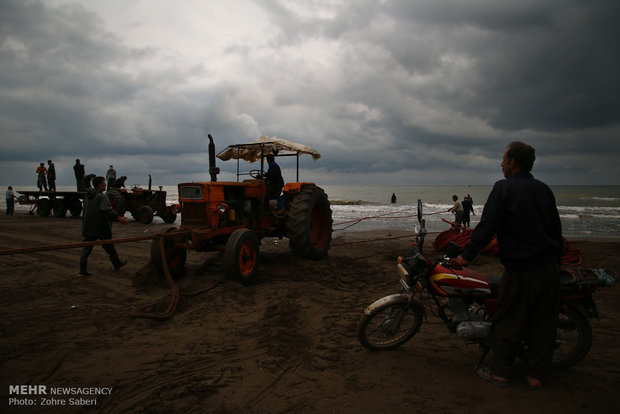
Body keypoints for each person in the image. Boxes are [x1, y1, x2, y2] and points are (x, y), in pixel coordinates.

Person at [451, 141, 562, 390]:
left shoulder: (504, 188)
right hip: (549, 270)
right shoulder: (544, 189)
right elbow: (556, 230)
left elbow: (487, 226)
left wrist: (466, 256)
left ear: (513, 163)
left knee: (508, 321)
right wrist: (558, 262)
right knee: (543, 324)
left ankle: (501, 373)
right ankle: (537, 376)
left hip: (521, 270)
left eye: (504, 160)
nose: (501, 164)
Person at [79, 176, 128, 277]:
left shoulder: (88, 196)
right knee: (109, 247)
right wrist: (118, 218)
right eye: (103, 183)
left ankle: (82, 271)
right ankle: (117, 263)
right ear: (99, 185)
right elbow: (107, 211)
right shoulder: (101, 196)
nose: (105, 185)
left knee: (86, 250)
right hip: (101, 227)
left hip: (89, 226)